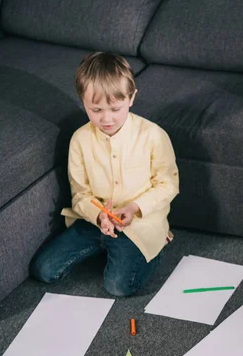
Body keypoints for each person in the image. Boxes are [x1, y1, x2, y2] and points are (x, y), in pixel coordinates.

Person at [30, 52, 179, 297]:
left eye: (115, 108)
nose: (106, 118)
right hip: (95, 221)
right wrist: (99, 216)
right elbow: (80, 195)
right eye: (96, 109)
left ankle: (159, 241)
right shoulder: (80, 139)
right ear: (83, 101)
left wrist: (134, 208)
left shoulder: (153, 136)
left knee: (118, 287)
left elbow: (168, 184)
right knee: (43, 270)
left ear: (131, 98)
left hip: (138, 224)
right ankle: (107, 246)